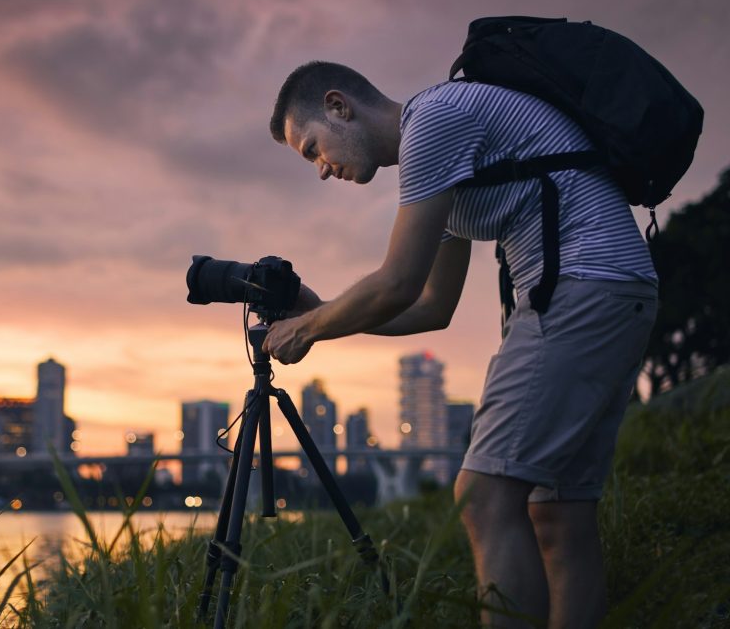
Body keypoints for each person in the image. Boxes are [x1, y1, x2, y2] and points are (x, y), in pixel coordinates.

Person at [261, 61, 658, 628]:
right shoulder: (442, 165)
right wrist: (319, 309)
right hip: (617, 289)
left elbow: (396, 281)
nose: (321, 170)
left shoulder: (434, 122)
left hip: (578, 287)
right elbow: (428, 307)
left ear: (339, 106)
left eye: (311, 149)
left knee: (484, 495)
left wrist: (311, 327)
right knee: (558, 512)